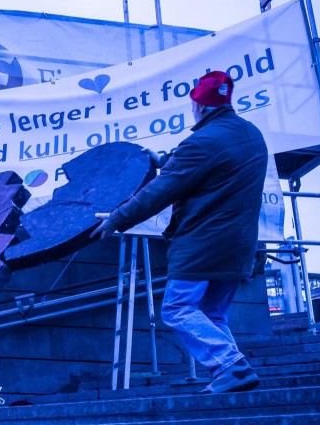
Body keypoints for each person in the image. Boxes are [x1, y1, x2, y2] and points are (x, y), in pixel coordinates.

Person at [92, 70, 268, 393]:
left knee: (177, 309)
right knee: (213, 315)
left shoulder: (201, 142)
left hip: (202, 245)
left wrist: (117, 219)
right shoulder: (251, 135)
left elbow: (159, 192)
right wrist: (168, 160)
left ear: (200, 106)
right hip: (239, 247)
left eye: (193, 104)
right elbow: (213, 165)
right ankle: (229, 373)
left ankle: (230, 364)